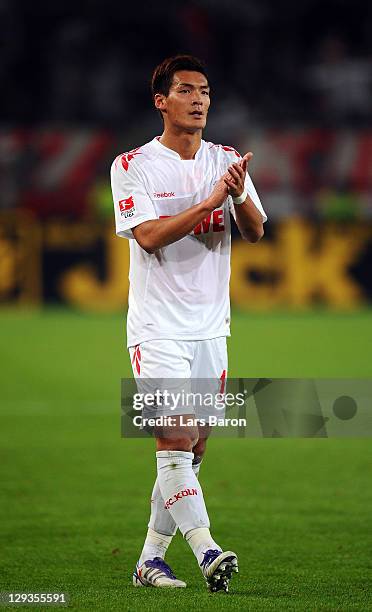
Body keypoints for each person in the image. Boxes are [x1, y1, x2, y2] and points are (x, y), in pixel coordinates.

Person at [110, 54, 267, 592]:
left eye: (205, 91)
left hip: (211, 329)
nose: (199, 99)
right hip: (156, 328)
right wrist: (211, 200)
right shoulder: (133, 165)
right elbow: (149, 236)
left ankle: (149, 561)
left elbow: (255, 232)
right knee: (174, 438)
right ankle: (208, 551)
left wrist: (239, 192)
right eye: (186, 90)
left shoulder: (225, 161)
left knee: (191, 451)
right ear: (161, 100)